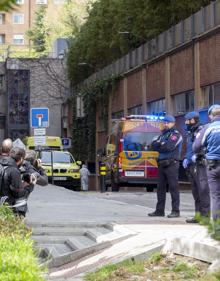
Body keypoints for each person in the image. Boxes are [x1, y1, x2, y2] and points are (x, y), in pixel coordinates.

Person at [193, 104, 220, 237]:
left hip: (213, 166)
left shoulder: (207, 128)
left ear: (210, 116)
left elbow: (196, 147)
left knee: (216, 197)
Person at [148, 115, 183, 218]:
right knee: (160, 188)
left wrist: (160, 145)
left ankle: (175, 211)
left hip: (171, 164)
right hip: (161, 164)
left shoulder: (176, 135)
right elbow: (152, 146)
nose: (166, 124)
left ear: (173, 123)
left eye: (168, 123)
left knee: (173, 188)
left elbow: (169, 147)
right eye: (164, 123)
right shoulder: (162, 135)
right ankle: (159, 211)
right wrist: (160, 144)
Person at [183, 111, 210, 223]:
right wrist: (186, 158)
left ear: (194, 120)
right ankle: (198, 215)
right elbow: (189, 148)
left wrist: (197, 156)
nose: (186, 122)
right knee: (195, 191)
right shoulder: (190, 131)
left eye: (188, 120)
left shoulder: (201, 130)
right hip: (191, 164)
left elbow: (204, 145)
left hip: (199, 163)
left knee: (202, 190)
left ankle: (205, 216)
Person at [0, 147, 36, 212]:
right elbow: (19, 195)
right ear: (21, 159)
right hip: (7, 209)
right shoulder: (14, 171)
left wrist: (22, 184)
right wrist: (31, 185)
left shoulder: (1, 165)